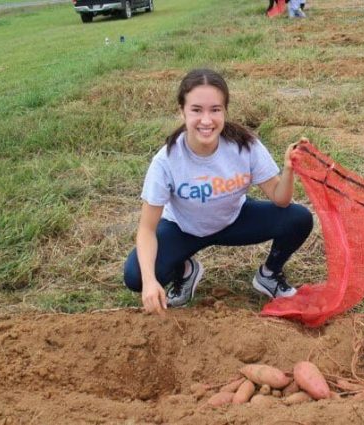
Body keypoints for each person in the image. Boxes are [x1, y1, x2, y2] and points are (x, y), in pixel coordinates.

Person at [123, 68, 314, 315]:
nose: (206, 120)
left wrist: (288, 170)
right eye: (196, 110)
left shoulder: (245, 145)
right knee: (135, 276)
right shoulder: (166, 160)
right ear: (181, 111)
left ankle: (269, 275)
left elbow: (280, 198)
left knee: (298, 218)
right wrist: (150, 282)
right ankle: (186, 270)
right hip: (184, 229)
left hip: (233, 220)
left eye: (215, 109)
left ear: (225, 111)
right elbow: (147, 229)